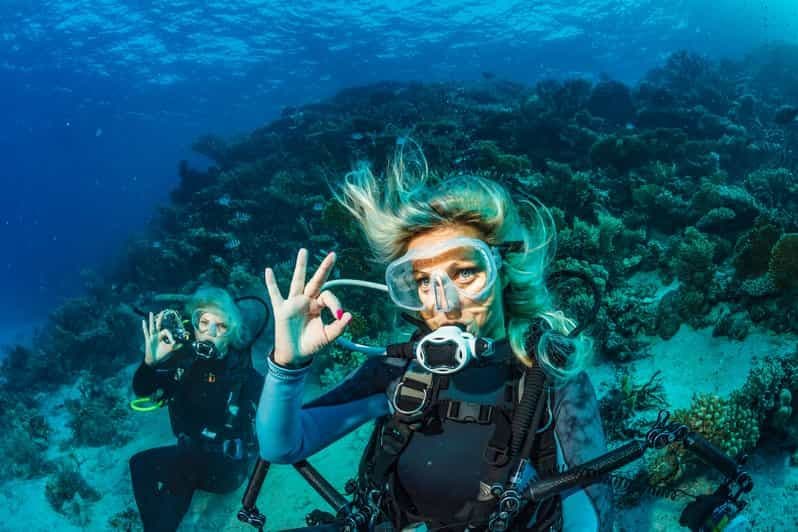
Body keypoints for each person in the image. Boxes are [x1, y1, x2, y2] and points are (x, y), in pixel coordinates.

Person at [256, 146, 613, 531]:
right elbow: (282, 446)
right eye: (424, 281)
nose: (444, 304)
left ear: (503, 270)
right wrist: (287, 366)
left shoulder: (550, 376)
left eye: (463, 274)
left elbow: (591, 515)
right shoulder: (397, 369)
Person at [129, 286, 264, 532]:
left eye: (221, 326)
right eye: (204, 322)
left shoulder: (240, 373)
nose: (210, 333)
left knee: (182, 470)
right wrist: (150, 363)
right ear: (194, 323)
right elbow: (142, 389)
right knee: (139, 464)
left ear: (232, 332)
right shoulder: (184, 361)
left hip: (227, 470)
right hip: (189, 453)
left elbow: (274, 404)